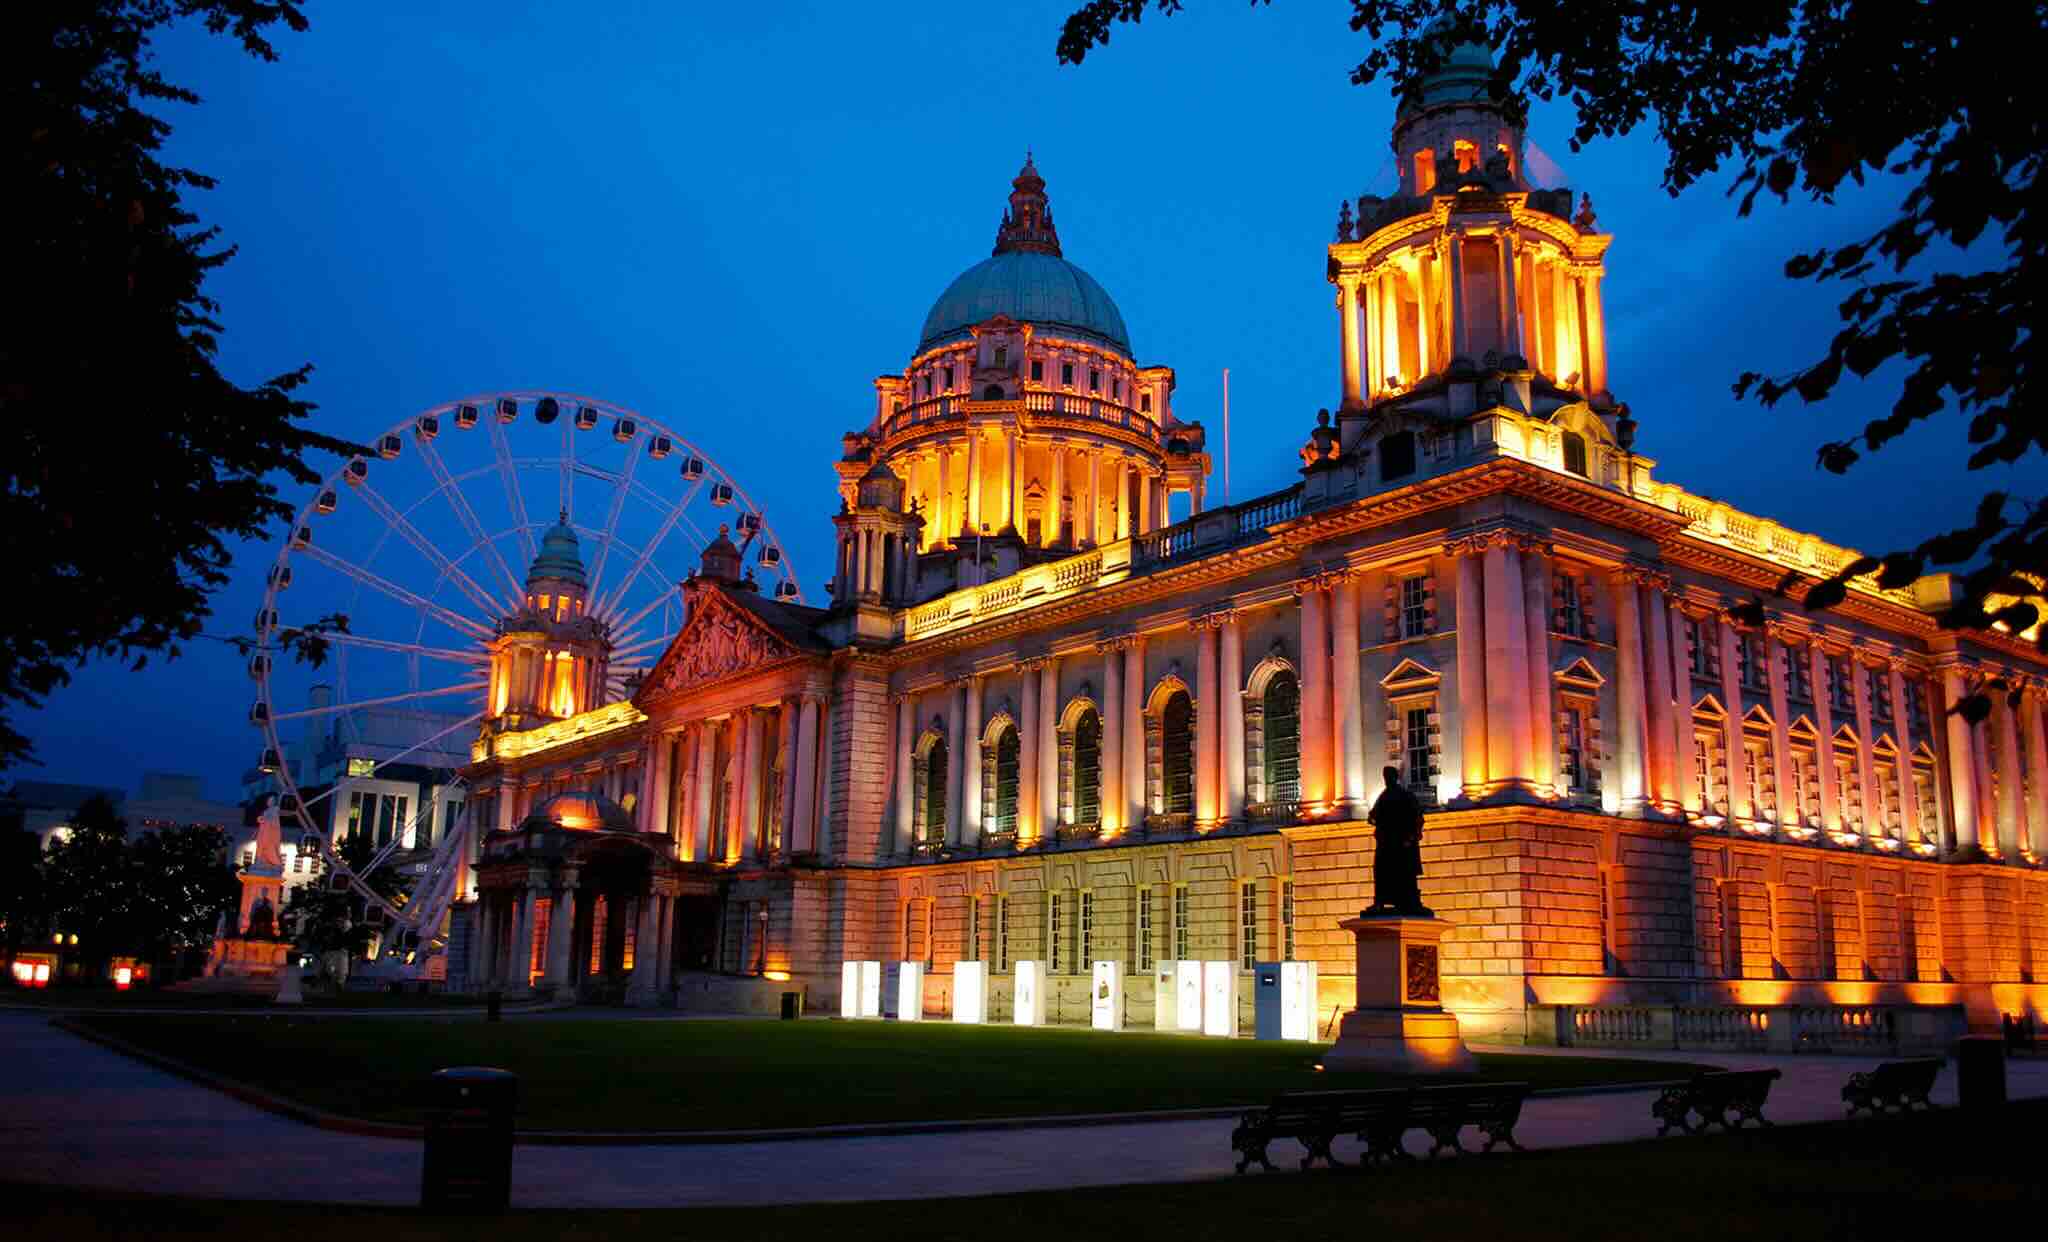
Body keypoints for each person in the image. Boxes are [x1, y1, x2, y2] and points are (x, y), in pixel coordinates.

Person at [1366, 765, 1430, 916]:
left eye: (1388, 776)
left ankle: (1406, 901)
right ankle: (1380, 901)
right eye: (1385, 777)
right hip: (1387, 841)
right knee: (1382, 871)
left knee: (1403, 872)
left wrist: (1412, 836)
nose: (1386, 780)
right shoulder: (1385, 795)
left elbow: (1418, 818)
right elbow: (1372, 816)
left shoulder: (1404, 795)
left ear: (1394, 777)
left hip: (1400, 842)